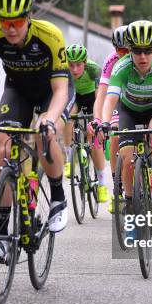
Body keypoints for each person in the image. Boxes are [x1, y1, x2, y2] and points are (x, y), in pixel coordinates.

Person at [0, 0, 73, 263]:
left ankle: (59, 197)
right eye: (4, 21)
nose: (10, 28)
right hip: (18, 91)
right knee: (5, 152)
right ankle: (1, 237)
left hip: (53, 89)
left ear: (28, 17)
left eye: (16, 21)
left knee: (45, 135)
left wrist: (50, 119)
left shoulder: (49, 34)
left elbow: (62, 90)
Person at [99, 20, 152, 213]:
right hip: (130, 111)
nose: (142, 56)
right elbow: (110, 100)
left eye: (148, 50)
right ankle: (131, 206)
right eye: (136, 51)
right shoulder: (121, 67)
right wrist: (104, 123)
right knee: (127, 160)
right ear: (129, 50)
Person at [63, 44, 109, 203]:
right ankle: (69, 157)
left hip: (92, 99)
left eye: (78, 65)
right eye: (71, 65)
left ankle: (102, 185)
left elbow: (99, 98)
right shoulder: (62, 69)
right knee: (68, 117)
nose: (74, 69)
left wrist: (97, 119)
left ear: (85, 62)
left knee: (93, 136)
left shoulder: (93, 69)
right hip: (75, 97)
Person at [94, 25, 129, 213]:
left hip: (141, 100)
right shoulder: (111, 61)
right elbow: (102, 95)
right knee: (115, 135)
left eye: (127, 50)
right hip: (118, 101)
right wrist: (99, 120)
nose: (123, 54)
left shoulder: (142, 58)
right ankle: (118, 187)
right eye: (119, 50)